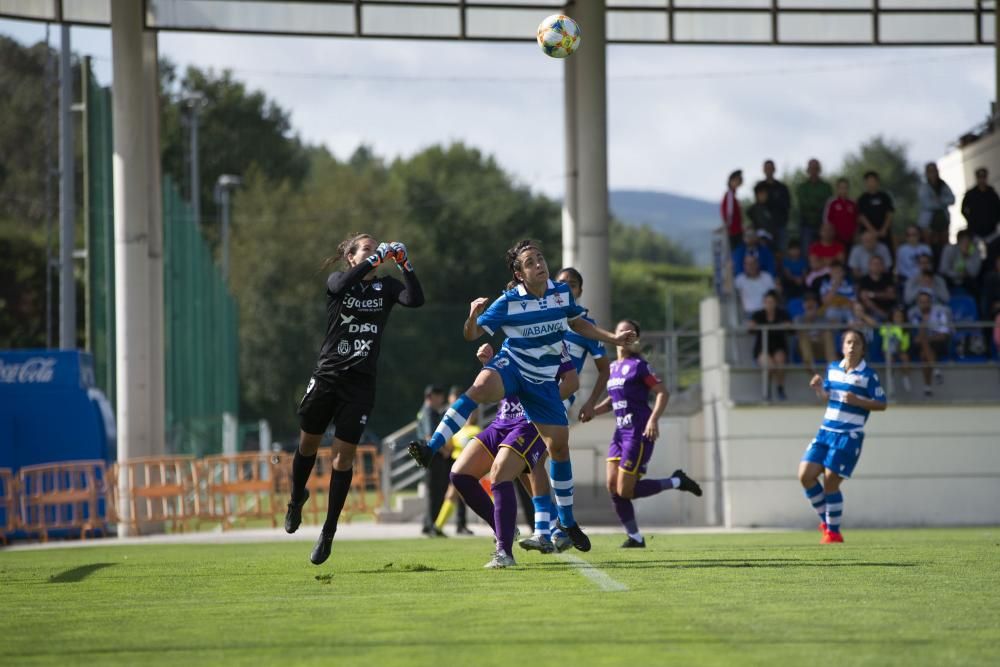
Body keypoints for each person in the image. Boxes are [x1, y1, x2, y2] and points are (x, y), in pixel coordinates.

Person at [407, 239, 634, 559]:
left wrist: (612, 338)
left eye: (540, 258)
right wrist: (473, 316)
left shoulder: (560, 294)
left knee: (557, 448)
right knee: (480, 386)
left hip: (542, 387)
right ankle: (432, 448)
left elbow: (578, 323)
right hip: (513, 369)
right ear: (519, 273)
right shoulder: (509, 301)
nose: (539, 264)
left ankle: (563, 523)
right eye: (530, 262)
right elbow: (471, 334)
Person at [286, 234, 424, 566]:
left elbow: (415, 299)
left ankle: (329, 530)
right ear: (351, 257)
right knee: (307, 446)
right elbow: (340, 285)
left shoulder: (386, 287)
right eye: (366, 249)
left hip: (360, 385)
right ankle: (295, 500)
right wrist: (374, 259)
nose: (375, 253)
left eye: (377, 249)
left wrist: (406, 266)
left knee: (343, 459)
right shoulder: (339, 281)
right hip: (327, 378)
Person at [445, 343, 580, 567]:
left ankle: (505, 551)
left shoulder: (552, 339)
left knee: (503, 474)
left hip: (531, 422)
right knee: (459, 474)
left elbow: (572, 382)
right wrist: (487, 364)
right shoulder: (512, 338)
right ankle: (516, 527)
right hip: (502, 421)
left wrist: (542, 403)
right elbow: (499, 381)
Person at [514, 267, 613, 554]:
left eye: (571, 284)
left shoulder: (585, 326)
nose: (565, 287)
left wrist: (592, 402)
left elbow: (604, 369)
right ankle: (557, 525)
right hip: (532, 396)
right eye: (561, 283)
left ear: (579, 291)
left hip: (557, 399)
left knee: (531, 458)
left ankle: (549, 529)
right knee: (524, 462)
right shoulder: (542, 315)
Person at [581, 319, 702, 548]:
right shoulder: (614, 368)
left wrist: (653, 420)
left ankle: (677, 481)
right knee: (612, 487)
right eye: (623, 330)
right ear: (614, 335)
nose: (627, 334)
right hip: (620, 432)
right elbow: (613, 400)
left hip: (638, 432)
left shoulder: (640, 366)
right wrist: (594, 411)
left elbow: (662, 393)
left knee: (626, 489)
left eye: (632, 332)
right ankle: (635, 537)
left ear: (636, 338)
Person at [798, 329, 887, 544]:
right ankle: (827, 522)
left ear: (863, 348)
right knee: (805, 475)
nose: (851, 346)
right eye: (848, 342)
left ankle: (834, 534)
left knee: (830, 482)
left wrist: (859, 401)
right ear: (842, 346)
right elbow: (828, 397)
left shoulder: (868, 376)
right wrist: (819, 388)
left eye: (856, 343)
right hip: (825, 432)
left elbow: (881, 403)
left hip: (848, 435)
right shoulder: (833, 369)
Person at [431, 385, 477, 537]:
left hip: (474, 469)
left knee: (464, 497)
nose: (470, 416)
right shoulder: (458, 430)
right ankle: (438, 526)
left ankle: (439, 526)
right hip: (457, 466)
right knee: (453, 495)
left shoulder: (477, 430)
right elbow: (449, 445)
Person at [416, 384, 450, 537]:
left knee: (433, 492)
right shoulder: (429, 412)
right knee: (436, 493)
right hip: (435, 457)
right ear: (431, 397)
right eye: (439, 396)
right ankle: (431, 526)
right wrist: (445, 451)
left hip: (429, 458)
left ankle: (427, 524)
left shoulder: (424, 411)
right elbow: (430, 436)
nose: (442, 399)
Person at [908, 291, 952, 397]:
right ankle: (936, 370)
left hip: (939, 343)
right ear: (918, 303)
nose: (924, 304)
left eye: (926, 302)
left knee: (924, 354)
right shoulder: (913, 313)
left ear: (931, 302)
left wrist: (926, 337)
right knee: (923, 345)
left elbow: (944, 334)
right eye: (921, 302)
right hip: (923, 343)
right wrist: (923, 321)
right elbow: (916, 336)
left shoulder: (940, 312)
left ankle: (927, 387)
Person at [749, 290, 791, 400]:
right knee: (769, 365)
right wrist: (752, 326)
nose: (769, 304)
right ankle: (766, 391)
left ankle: (780, 388)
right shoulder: (758, 315)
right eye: (767, 302)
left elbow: (790, 328)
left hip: (778, 346)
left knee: (780, 360)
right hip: (762, 348)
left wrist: (787, 325)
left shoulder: (782, 314)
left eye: (771, 302)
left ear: (776, 303)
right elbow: (750, 328)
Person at [917, 162, 956, 261]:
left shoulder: (943, 185)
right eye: (930, 172)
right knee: (930, 249)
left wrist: (939, 200)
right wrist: (941, 202)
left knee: (944, 248)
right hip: (929, 225)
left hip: (943, 223)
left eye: (934, 171)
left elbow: (952, 199)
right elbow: (927, 204)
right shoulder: (924, 187)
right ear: (926, 173)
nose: (932, 174)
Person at [796, 158, 833, 253]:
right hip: (806, 224)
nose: (813, 171)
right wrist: (817, 203)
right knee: (806, 250)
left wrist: (813, 204)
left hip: (823, 224)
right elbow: (803, 204)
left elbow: (827, 204)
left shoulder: (826, 187)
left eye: (816, 168)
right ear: (808, 170)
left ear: (819, 170)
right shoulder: (802, 187)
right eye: (811, 168)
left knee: (825, 249)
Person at [795, 291, 836, 377]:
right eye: (807, 302)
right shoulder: (799, 319)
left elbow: (825, 333)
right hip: (805, 349)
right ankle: (812, 369)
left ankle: (832, 368)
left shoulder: (823, 318)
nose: (810, 304)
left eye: (812, 302)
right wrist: (808, 319)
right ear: (803, 305)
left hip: (820, 348)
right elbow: (799, 334)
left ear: (816, 304)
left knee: (828, 334)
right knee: (804, 338)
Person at [756, 159, 791, 251]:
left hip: (780, 225)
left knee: (781, 252)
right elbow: (758, 207)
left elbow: (787, 206)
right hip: (765, 228)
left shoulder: (782, 187)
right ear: (763, 170)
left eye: (770, 168)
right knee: (766, 252)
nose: (769, 170)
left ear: (774, 169)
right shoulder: (759, 187)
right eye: (767, 168)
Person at [857, 171, 895, 252]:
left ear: (877, 182)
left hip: (884, 233)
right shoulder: (862, 199)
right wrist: (872, 231)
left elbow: (890, 213)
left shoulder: (885, 197)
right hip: (868, 235)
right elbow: (861, 217)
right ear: (865, 183)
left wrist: (884, 229)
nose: (871, 183)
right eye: (869, 181)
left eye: (873, 181)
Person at [938, 229, 982, 298]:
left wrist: (965, 256)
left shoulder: (975, 252)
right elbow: (943, 269)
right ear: (958, 241)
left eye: (968, 241)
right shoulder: (949, 249)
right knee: (942, 280)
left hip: (966, 280)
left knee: (974, 284)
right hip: (951, 278)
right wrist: (957, 274)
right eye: (963, 241)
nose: (966, 244)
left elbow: (974, 273)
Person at [961, 167, 1000, 242]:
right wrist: (971, 221)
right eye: (980, 177)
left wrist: (995, 221)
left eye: (984, 177)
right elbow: (963, 210)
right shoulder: (970, 194)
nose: (982, 179)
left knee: (994, 251)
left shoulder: (992, 193)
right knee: (973, 252)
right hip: (975, 233)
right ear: (976, 178)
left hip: (992, 232)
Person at [880, 308, 913, 393]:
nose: (898, 318)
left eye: (900, 317)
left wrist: (899, 346)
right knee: (890, 358)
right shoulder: (888, 326)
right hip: (888, 350)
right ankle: (890, 382)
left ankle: (906, 379)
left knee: (905, 357)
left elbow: (905, 345)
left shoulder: (906, 329)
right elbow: (882, 332)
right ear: (892, 317)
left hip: (900, 349)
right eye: (896, 316)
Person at [734, 255, 777, 319]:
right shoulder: (739, 279)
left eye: (753, 263)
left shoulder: (767, 277)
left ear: (757, 264)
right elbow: (727, 292)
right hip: (747, 314)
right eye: (747, 264)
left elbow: (774, 295)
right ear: (744, 266)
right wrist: (728, 270)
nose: (750, 266)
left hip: (765, 314)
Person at [857, 255, 897, 321]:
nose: (877, 266)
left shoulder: (888, 278)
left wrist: (872, 294)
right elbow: (864, 297)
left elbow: (891, 295)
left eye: (879, 264)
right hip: (872, 312)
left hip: (889, 310)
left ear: (883, 266)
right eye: (874, 264)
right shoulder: (864, 280)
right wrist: (880, 312)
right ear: (869, 266)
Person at [823, 178, 859, 251]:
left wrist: (855, 234)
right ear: (837, 189)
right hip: (836, 238)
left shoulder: (852, 203)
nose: (843, 190)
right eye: (841, 188)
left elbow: (857, 221)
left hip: (850, 238)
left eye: (845, 188)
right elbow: (826, 220)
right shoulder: (832, 203)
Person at [720, 169, 744, 250]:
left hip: (736, 230)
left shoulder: (733, 195)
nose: (737, 182)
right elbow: (729, 214)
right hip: (733, 232)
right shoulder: (730, 195)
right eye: (736, 180)